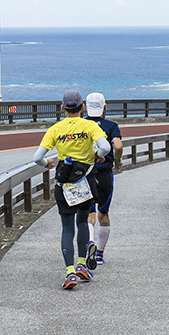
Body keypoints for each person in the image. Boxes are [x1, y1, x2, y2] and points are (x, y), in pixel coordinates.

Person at [33, 90, 111, 290]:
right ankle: (82, 266)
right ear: (82, 107)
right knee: (83, 222)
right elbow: (106, 147)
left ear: (62, 108)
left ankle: (70, 274)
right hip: (86, 181)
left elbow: (37, 158)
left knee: (67, 228)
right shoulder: (90, 125)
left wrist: (47, 163)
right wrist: (97, 154)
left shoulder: (55, 129)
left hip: (65, 183)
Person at [85, 92, 123, 265]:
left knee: (89, 212)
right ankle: (99, 254)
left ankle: (89, 243)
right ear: (104, 107)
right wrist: (117, 159)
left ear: (85, 106)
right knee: (104, 212)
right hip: (105, 173)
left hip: (85, 173)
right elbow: (118, 145)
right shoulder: (111, 125)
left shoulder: (82, 124)